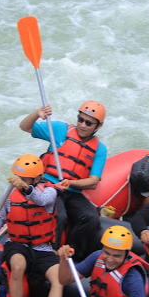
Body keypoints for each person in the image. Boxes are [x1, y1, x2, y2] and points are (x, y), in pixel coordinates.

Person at [19, 101, 108, 261]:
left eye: (88, 123)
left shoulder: (100, 149)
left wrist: (70, 183)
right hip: (48, 185)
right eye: (80, 119)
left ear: (98, 126)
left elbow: (93, 181)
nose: (82, 125)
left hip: (72, 191)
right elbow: (25, 127)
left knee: (91, 218)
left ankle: (73, 254)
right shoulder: (61, 130)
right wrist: (36, 113)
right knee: (60, 216)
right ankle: (51, 255)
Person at [0, 154, 64, 297]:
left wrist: (25, 187)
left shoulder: (49, 192)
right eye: (17, 176)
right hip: (17, 245)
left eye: (23, 178)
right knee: (17, 266)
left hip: (43, 248)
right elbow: (0, 218)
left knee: (58, 279)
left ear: (37, 178)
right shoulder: (9, 194)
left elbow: (41, 200)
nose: (18, 181)